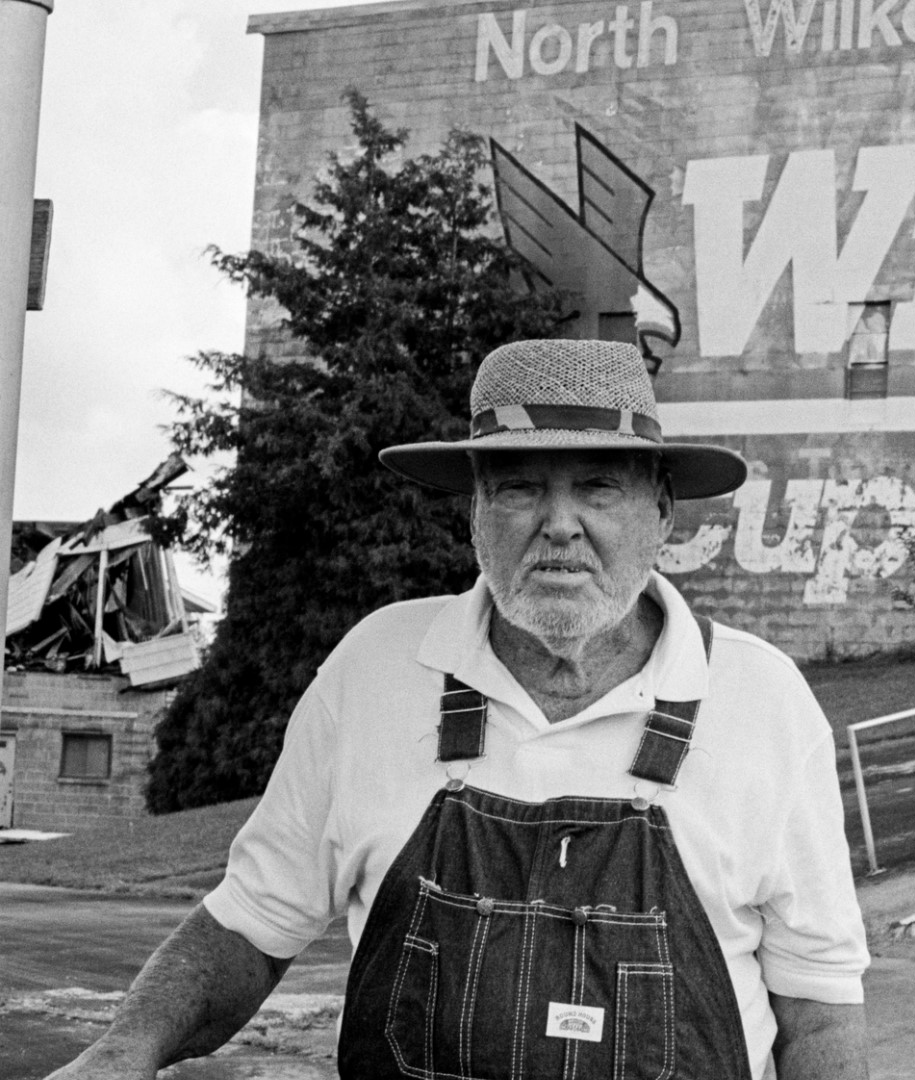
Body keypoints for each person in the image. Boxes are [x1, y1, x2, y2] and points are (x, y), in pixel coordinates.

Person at [49, 339, 870, 1079]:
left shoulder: (761, 701)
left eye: (598, 488)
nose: (559, 526)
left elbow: (819, 1012)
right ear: (475, 510)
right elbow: (249, 924)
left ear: (660, 511)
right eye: (518, 488)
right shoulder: (377, 669)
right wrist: (124, 1049)